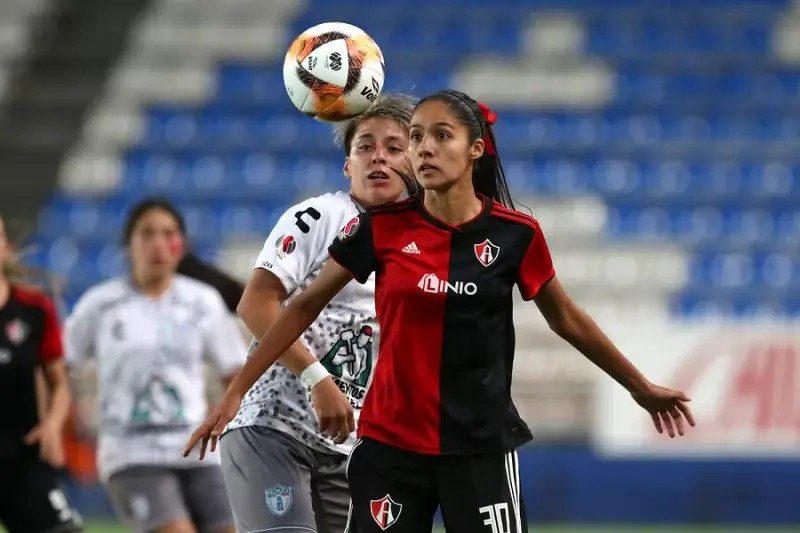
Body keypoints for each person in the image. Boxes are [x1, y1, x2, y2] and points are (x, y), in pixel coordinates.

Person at [184, 90, 696, 533]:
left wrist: (639, 386)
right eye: (418, 137)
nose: (424, 147)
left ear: (475, 148)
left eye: (440, 136)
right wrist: (235, 391)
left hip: (479, 447)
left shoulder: (516, 234)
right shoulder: (379, 230)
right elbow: (298, 309)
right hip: (388, 448)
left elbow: (566, 319)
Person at [214, 93, 417, 533]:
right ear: (348, 166)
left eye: (394, 147)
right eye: (365, 146)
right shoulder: (319, 216)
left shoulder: (421, 245)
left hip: (346, 446)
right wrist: (317, 380)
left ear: (416, 162)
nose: (378, 157)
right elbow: (255, 304)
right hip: (272, 428)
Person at [65, 199, 246, 533]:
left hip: (198, 453)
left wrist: (232, 432)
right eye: (147, 234)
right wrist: (64, 418)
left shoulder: (203, 301)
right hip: (132, 453)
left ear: (182, 245)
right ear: (128, 244)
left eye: (169, 234)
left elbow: (235, 373)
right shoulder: (100, 304)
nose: (159, 244)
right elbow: (61, 364)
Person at [0, 215, 83, 533]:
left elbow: (60, 382)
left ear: (5, 247)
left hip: (24, 454)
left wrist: (52, 425)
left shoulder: (35, 309)